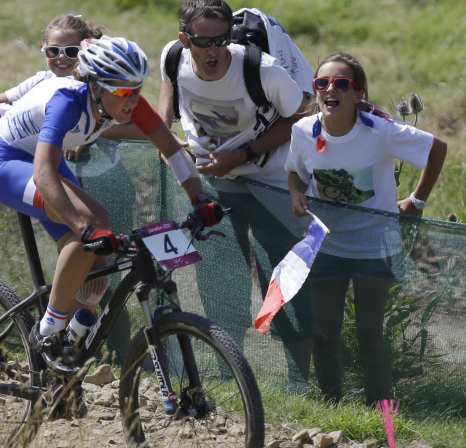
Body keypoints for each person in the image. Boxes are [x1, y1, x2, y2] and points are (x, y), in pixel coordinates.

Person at [0, 36, 221, 374]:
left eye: (137, 89)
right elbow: (44, 173)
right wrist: (83, 228)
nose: (133, 100)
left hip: (44, 165)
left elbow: (171, 148)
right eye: (123, 92)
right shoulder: (66, 101)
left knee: (96, 278)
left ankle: (65, 356)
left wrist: (200, 197)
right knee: (91, 223)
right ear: (95, 86)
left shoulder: (124, 100)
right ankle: (47, 332)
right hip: (8, 163)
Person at [157, 0, 314, 390]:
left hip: (272, 183)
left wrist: (242, 154)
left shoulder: (261, 70)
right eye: (202, 41)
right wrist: (170, 145)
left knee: (282, 276)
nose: (212, 51)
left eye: (221, 40)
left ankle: (299, 380)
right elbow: (165, 113)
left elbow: (303, 115)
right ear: (183, 39)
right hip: (215, 182)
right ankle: (229, 372)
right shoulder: (173, 56)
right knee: (218, 277)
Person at [286, 52, 447, 403]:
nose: (331, 89)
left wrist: (416, 202)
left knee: (370, 332)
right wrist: (297, 194)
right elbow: (295, 171)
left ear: (358, 94)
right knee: (325, 332)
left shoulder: (382, 132)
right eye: (323, 83)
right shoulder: (302, 131)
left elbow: (438, 149)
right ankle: (331, 405)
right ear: (315, 92)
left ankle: (381, 407)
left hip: (375, 244)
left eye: (342, 83)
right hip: (326, 242)